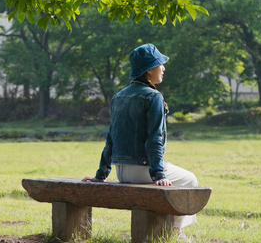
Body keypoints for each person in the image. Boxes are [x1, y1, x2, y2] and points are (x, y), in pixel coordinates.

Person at [82, 43, 198, 238]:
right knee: (190, 180)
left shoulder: (118, 97)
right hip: (143, 171)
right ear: (149, 69)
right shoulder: (154, 97)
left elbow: (110, 139)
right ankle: (175, 232)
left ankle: (169, 229)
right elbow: (155, 138)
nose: (163, 68)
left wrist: (100, 175)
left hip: (122, 171)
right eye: (160, 64)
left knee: (174, 179)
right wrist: (158, 174)